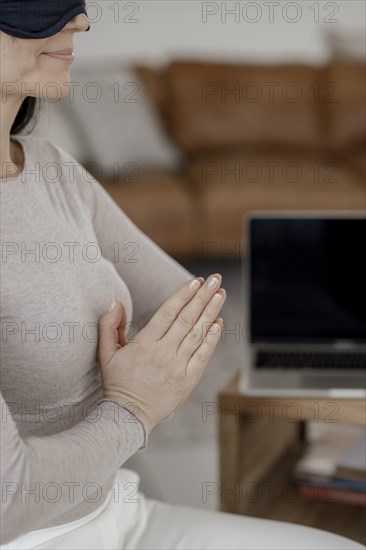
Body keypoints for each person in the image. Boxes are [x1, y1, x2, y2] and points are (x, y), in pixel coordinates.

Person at [0, 3, 363, 549]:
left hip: (118, 510)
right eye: (39, 7)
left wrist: (336, 323)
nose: (80, 22)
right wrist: (135, 408)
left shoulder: (48, 167)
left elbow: (190, 304)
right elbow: (8, 501)